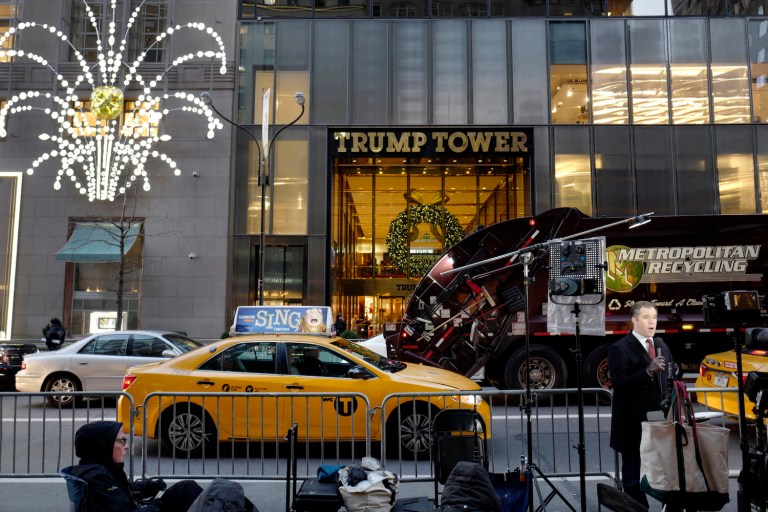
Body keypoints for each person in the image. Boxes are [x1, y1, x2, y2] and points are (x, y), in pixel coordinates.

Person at [607, 301, 678, 508]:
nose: (652, 322)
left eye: (654, 317)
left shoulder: (661, 345)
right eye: (646, 317)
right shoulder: (619, 348)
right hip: (632, 423)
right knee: (632, 475)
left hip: (660, 422)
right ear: (634, 320)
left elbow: (670, 376)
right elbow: (620, 385)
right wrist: (647, 372)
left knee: (666, 471)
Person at [62, 421, 202, 512]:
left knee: (186, 488)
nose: (126, 446)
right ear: (104, 445)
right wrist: (156, 506)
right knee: (215, 491)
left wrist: (146, 486)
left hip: (139, 508)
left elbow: (122, 492)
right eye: (122, 441)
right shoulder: (96, 478)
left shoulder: (101, 469)